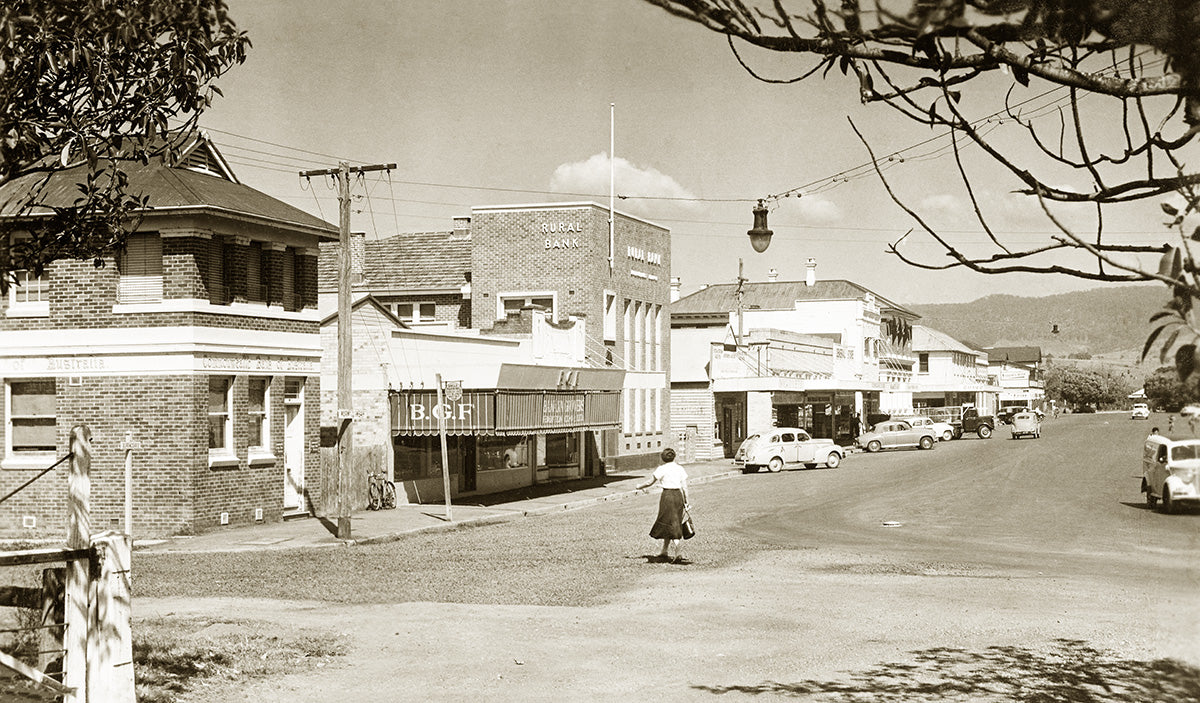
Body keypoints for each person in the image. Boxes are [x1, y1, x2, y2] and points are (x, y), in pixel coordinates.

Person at [637, 448, 690, 563]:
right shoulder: (679, 468)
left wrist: (639, 486)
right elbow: (685, 487)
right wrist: (686, 501)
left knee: (672, 522)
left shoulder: (662, 469)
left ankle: (678, 552)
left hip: (667, 496)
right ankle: (664, 551)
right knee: (670, 521)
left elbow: (650, 482)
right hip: (678, 496)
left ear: (663, 458)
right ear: (674, 456)